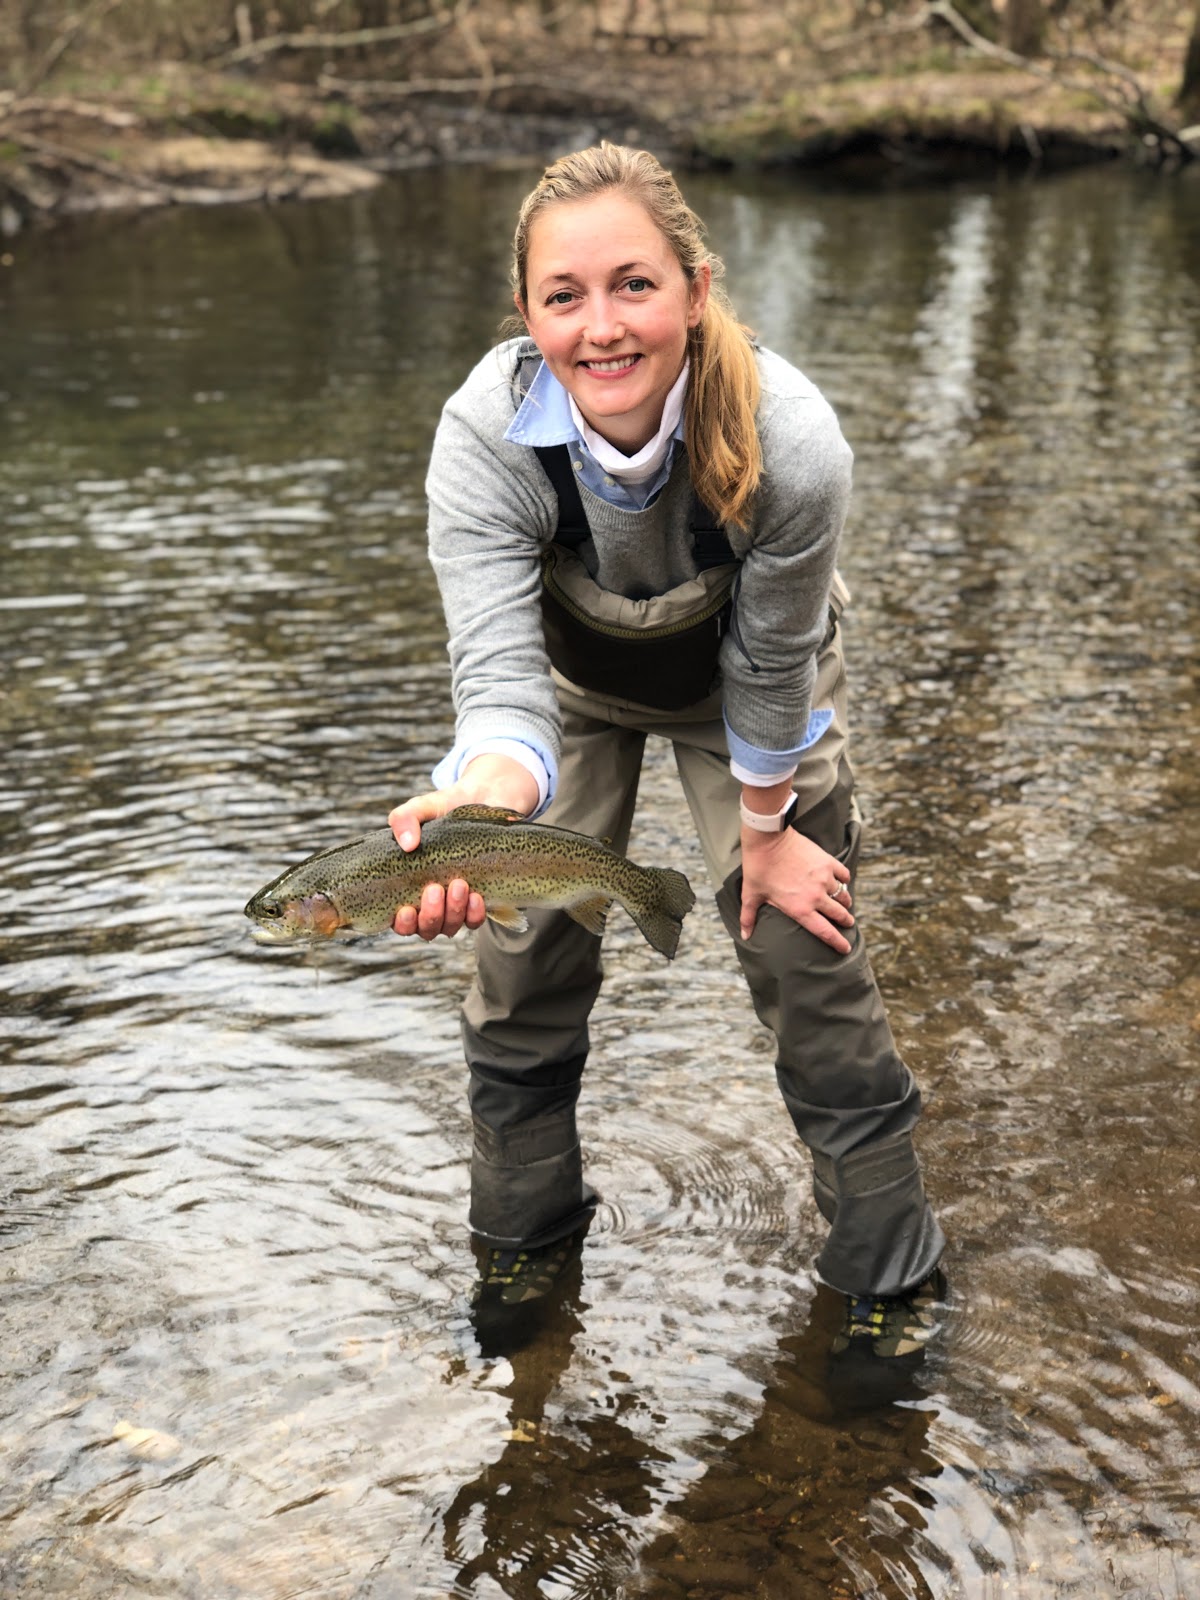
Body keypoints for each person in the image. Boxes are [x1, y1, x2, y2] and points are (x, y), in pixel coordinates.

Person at [387, 143, 945, 1360]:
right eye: (565, 296)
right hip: (569, 690)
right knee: (526, 951)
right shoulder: (486, 433)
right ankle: (526, 1239)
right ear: (526, 312)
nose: (601, 326)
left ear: (697, 288)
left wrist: (767, 837)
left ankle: (890, 1279)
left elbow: (771, 671)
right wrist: (484, 806)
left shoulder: (792, 439)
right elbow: (500, 681)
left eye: (633, 284)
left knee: (798, 938)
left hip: (755, 690)